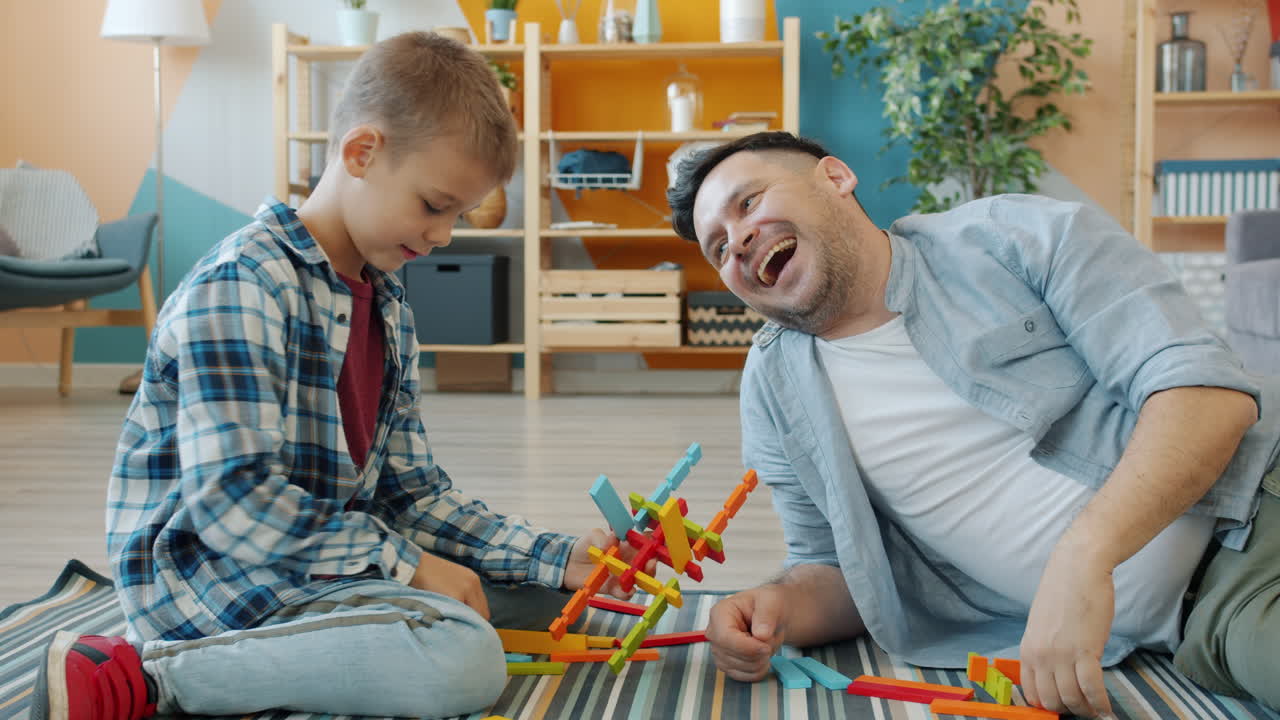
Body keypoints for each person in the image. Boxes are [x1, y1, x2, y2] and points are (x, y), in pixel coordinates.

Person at [32, 32, 645, 720]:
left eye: (459, 215)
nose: (444, 235)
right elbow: (232, 501)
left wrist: (555, 556)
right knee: (462, 660)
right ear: (362, 153)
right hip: (213, 578)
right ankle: (155, 679)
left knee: (561, 604)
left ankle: (345, 636)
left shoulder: (386, 304)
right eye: (434, 205)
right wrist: (408, 567)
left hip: (316, 558)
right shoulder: (243, 283)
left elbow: (413, 496)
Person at [666, 131, 1280, 717]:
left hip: (1255, 509)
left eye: (749, 204)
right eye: (718, 247)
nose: (739, 240)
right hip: (1204, 621)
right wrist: (773, 606)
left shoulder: (1016, 236)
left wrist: (1083, 558)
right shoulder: (773, 386)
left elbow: (1205, 391)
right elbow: (835, 569)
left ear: (835, 177)